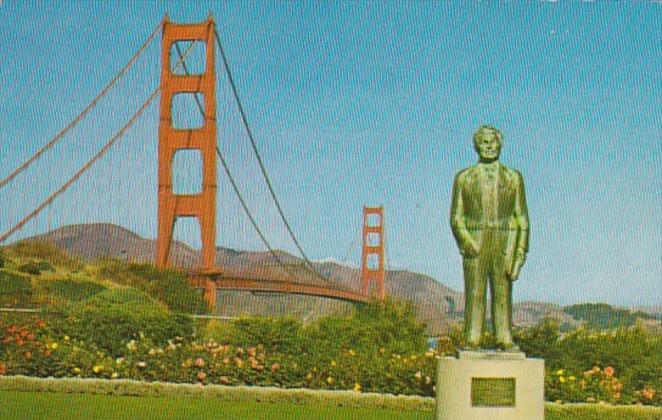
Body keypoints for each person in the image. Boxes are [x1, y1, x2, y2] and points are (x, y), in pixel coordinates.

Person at [450, 125, 529, 350]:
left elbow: (521, 218)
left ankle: (503, 336)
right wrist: (466, 241)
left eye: (492, 142)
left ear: (500, 144)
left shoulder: (514, 178)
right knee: (474, 292)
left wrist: (520, 253)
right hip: (475, 241)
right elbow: (456, 217)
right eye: (483, 142)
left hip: (504, 242)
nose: (488, 146)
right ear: (476, 145)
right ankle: (472, 336)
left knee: (503, 292)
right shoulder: (463, 178)